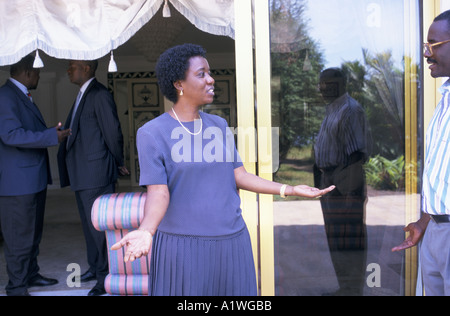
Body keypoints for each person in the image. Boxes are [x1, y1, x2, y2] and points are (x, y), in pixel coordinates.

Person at [111, 44, 335, 296]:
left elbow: (238, 174)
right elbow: (158, 192)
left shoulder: (218, 124)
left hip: (232, 240)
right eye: (201, 74)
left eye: (210, 72)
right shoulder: (152, 133)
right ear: (178, 84)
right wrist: (146, 230)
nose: (211, 79)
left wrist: (289, 188)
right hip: (183, 246)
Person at [0, 54, 71, 296]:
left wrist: (51, 132)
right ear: (27, 73)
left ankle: (31, 274)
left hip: (30, 181)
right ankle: (17, 287)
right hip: (17, 184)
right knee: (19, 237)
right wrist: (52, 137)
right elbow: (11, 136)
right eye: (38, 72)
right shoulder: (6, 96)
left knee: (32, 234)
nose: (39, 76)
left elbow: (25, 131)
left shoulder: (19, 95)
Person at [57, 59, 129, 296]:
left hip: (96, 174)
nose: (68, 69)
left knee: (99, 231)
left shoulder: (99, 94)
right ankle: (94, 267)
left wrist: (119, 161)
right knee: (90, 229)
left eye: (72, 65)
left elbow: (112, 132)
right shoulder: (82, 94)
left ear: (86, 68)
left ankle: (104, 277)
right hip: (83, 174)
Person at [392, 10, 450, 296]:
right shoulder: (445, 100)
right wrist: (424, 222)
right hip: (435, 232)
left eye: (433, 44)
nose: (426, 53)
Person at [313, 68, 371, 295]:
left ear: (343, 84)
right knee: (336, 239)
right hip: (331, 181)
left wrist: (348, 193)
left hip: (346, 182)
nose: (324, 88)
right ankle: (345, 287)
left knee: (350, 240)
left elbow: (356, 155)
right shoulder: (333, 109)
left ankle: (353, 290)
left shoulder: (350, 110)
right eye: (322, 84)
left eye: (330, 84)